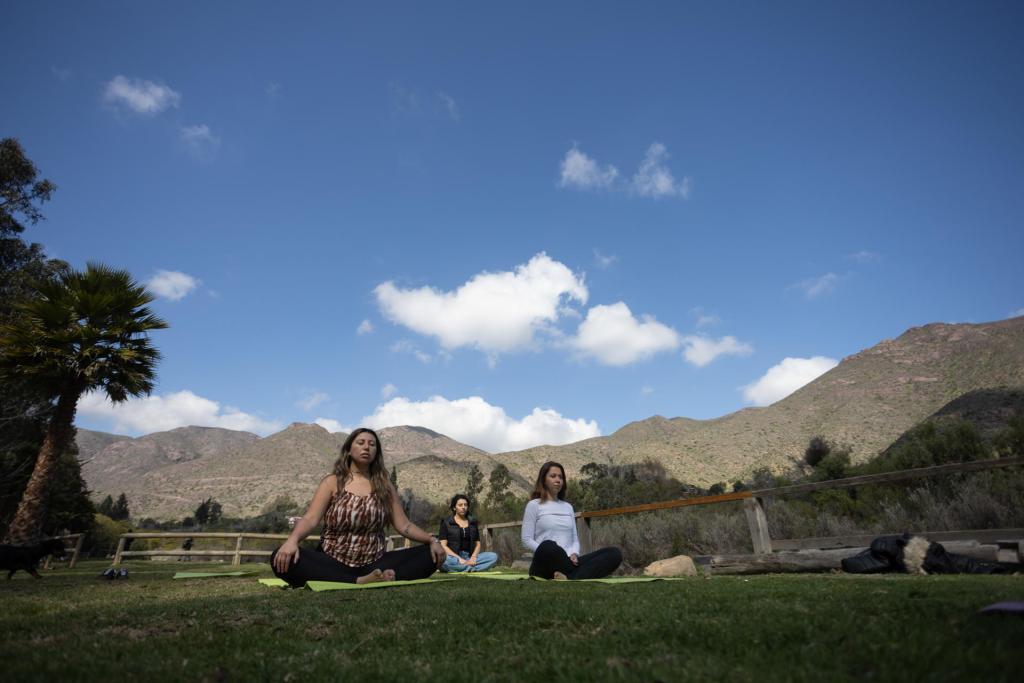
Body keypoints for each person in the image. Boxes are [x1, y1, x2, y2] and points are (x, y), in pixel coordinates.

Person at [271, 428, 446, 586]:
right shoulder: (332, 482)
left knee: (429, 554)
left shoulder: (385, 486)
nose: (366, 447)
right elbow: (310, 519)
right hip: (332, 561)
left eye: (372, 444)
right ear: (349, 449)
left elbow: (404, 526)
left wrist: (432, 540)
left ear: (376, 452)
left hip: (375, 561)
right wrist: (292, 541)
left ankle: (377, 576)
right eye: (360, 443)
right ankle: (361, 580)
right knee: (280, 557)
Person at [521, 461, 622, 580]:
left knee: (614, 553)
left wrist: (574, 553)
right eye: (553, 476)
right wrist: (548, 552)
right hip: (544, 562)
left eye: (561, 477)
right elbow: (526, 539)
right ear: (543, 480)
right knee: (549, 545)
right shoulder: (534, 505)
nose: (558, 480)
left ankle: (569, 577)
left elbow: (574, 538)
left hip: (569, 562)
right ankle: (575, 575)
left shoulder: (568, 507)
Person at [438, 494, 498, 573]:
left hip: (470, 557)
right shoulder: (446, 523)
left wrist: (473, 557)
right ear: (454, 508)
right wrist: (459, 559)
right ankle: (470, 568)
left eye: (465, 505)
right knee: (443, 560)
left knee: (493, 557)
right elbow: (443, 545)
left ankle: (463, 568)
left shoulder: (472, 522)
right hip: (453, 557)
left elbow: (478, 544)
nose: (463, 507)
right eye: (460, 505)